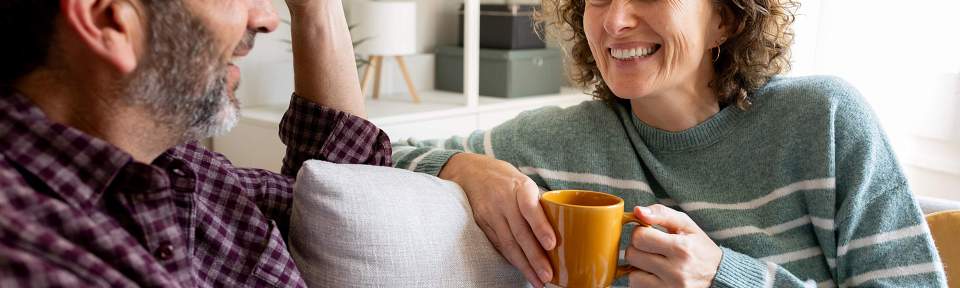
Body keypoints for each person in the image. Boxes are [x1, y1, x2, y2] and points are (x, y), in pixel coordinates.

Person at [392, 0, 947, 286]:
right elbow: (369, 150)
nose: (614, 22)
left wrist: (722, 276)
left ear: (725, 19)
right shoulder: (559, 139)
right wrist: (466, 167)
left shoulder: (824, 121)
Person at [0, 0, 391, 286]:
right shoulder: (30, 255)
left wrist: (316, 11)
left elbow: (344, 200)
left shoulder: (185, 168)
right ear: (109, 21)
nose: (268, 18)